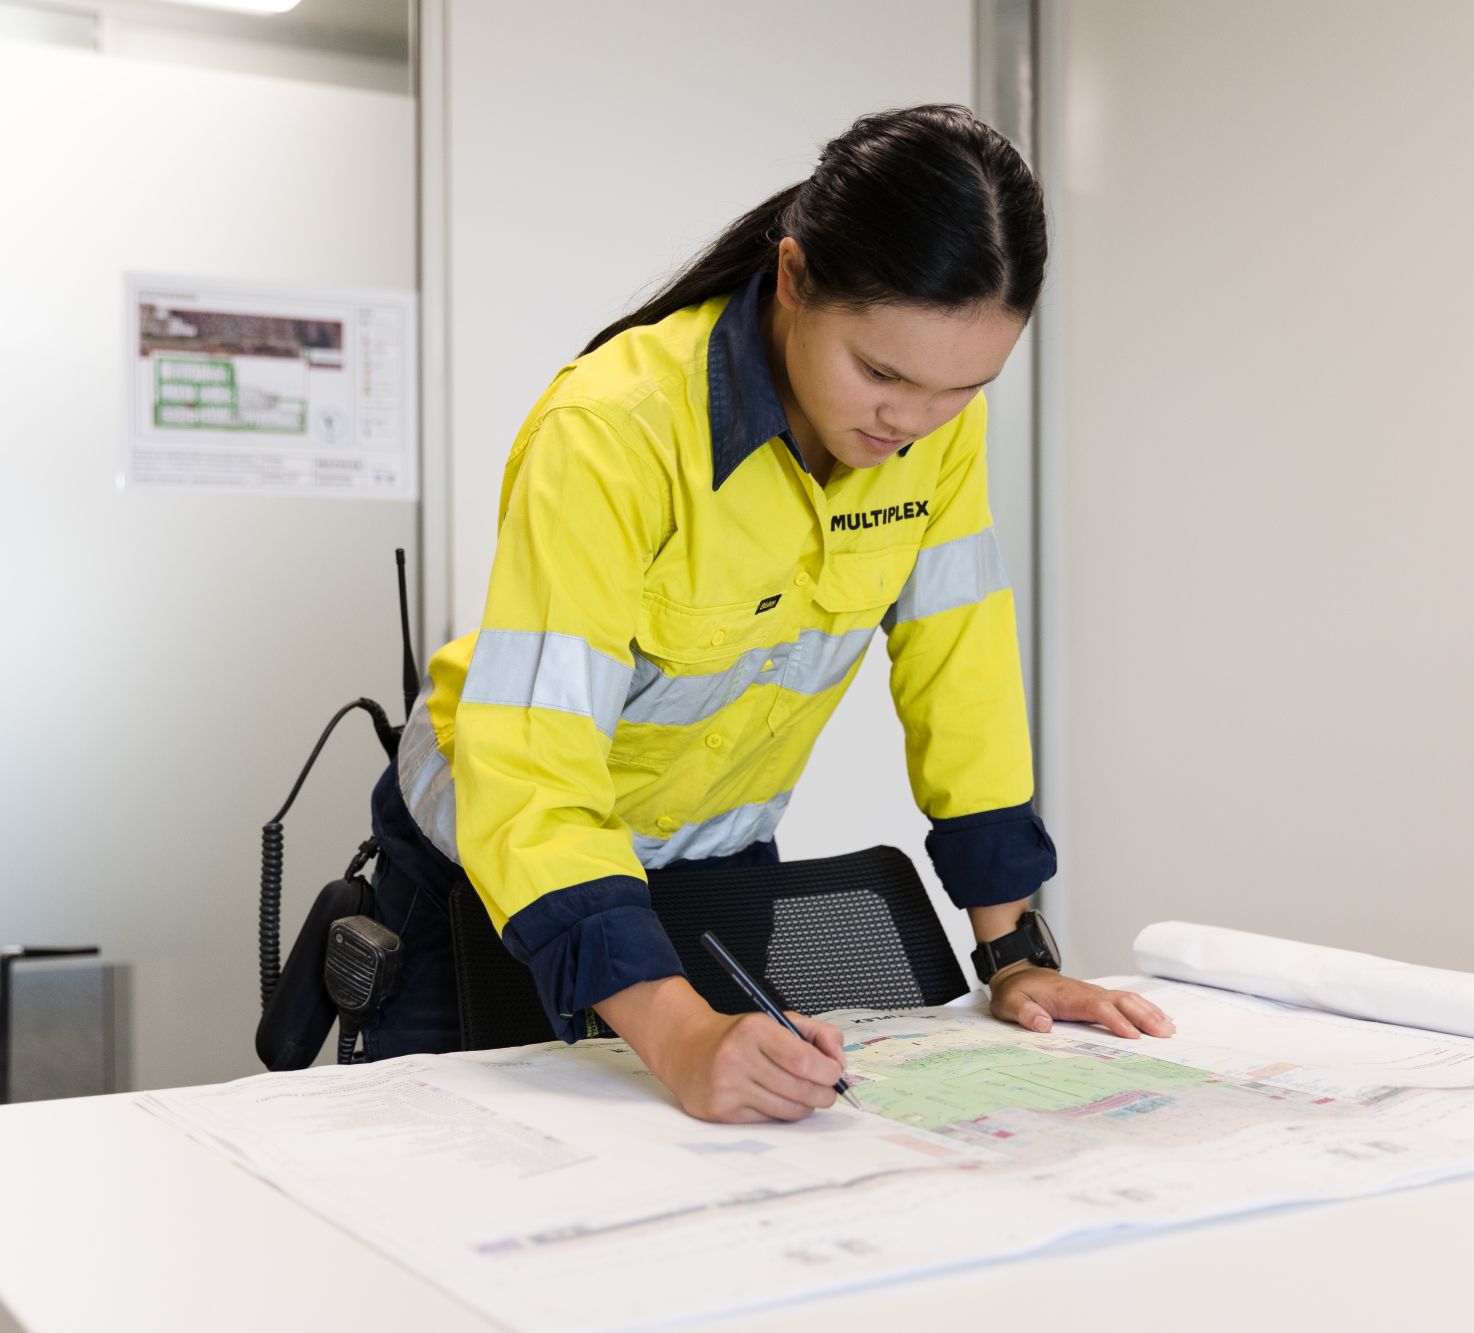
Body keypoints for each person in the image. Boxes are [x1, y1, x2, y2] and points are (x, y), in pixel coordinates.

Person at [364, 103, 1174, 1122]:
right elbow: (532, 759)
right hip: (486, 865)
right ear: (792, 279)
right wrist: (676, 1031)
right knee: (465, 1172)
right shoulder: (613, 429)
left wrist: (1011, 954)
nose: (910, 421)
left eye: (961, 389)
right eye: (879, 372)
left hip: (711, 863)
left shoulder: (926, 435)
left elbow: (959, 675)